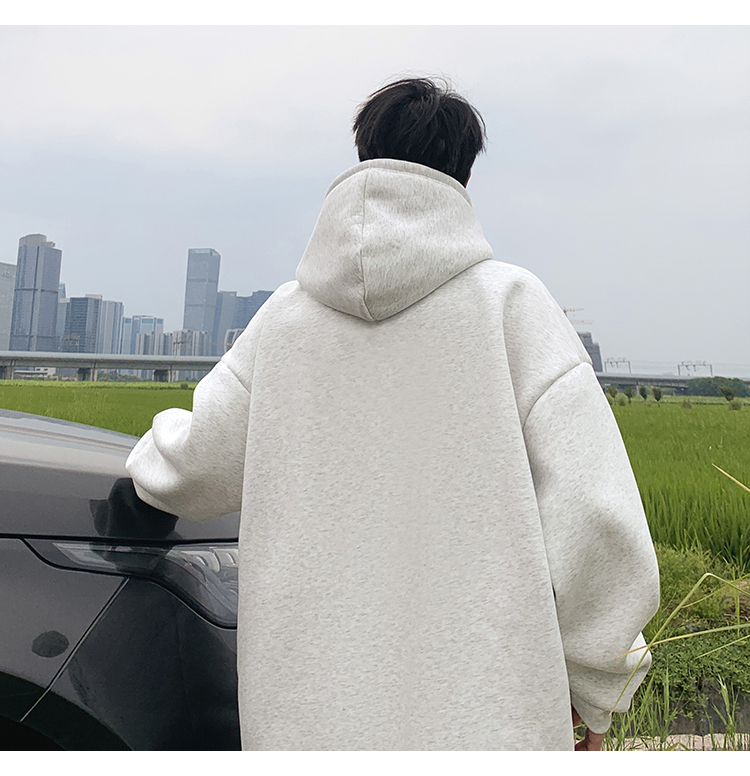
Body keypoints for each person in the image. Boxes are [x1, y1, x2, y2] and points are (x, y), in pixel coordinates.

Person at [126, 76, 660, 751]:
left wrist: (139, 448)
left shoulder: (284, 321)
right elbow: (596, 519)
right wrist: (597, 686)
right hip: (488, 724)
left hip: (306, 725)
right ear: (466, 174)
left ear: (364, 153)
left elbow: (194, 469)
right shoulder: (512, 307)